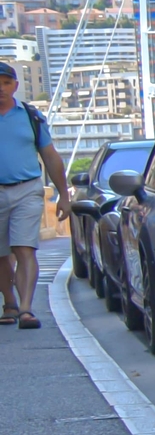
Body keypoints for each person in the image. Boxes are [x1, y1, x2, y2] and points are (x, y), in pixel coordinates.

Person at [0, 60, 70, 330]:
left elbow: (51, 157)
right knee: (1, 254)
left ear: (15, 86)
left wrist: (63, 195)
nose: (1, 89)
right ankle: (9, 301)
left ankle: (27, 308)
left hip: (27, 189)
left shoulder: (30, 117)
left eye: (6, 83)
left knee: (25, 248)